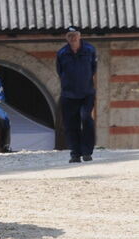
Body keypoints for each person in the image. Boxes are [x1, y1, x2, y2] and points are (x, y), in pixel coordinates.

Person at [56, 26, 97, 163]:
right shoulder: (62, 53)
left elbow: (93, 70)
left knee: (86, 119)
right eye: (69, 35)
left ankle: (87, 152)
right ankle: (75, 154)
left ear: (79, 36)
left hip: (87, 93)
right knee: (70, 125)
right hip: (68, 95)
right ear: (66, 38)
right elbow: (59, 71)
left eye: (74, 35)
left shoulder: (90, 50)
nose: (72, 38)